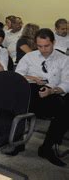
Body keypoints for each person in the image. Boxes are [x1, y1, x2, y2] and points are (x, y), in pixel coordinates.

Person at [15, 28, 68, 167]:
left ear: (54, 42)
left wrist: (52, 91)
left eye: (47, 46)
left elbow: (66, 82)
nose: (43, 49)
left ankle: (47, 147)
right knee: (17, 100)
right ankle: (17, 142)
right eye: (39, 46)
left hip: (52, 92)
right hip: (31, 90)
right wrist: (32, 77)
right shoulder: (29, 57)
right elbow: (17, 75)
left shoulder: (64, 60)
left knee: (64, 109)